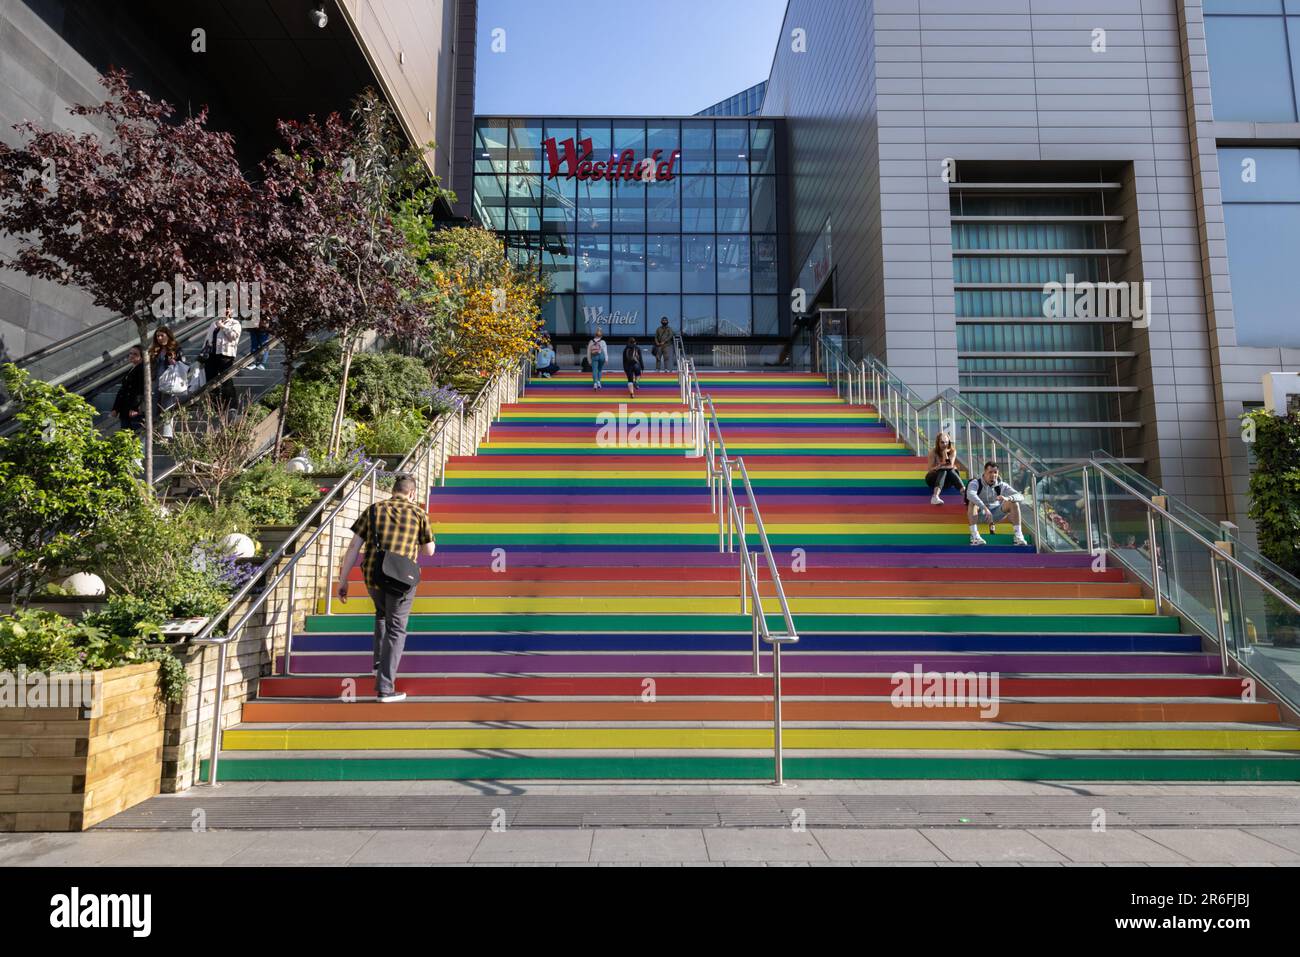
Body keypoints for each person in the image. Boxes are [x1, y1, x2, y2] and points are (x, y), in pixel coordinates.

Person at [336, 474, 436, 703]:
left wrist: (343, 580)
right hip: (401, 579)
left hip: (373, 576)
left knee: (381, 615)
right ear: (412, 493)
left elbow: (354, 546)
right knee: (397, 629)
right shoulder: (419, 513)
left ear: (393, 490)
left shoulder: (373, 510)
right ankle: (385, 688)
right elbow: (429, 551)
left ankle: (378, 665)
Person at [966, 461, 1028, 547]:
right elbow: (970, 494)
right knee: (972, 502)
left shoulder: (1001, 485)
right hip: (980, 514)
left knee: (1014, 503)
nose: (993, 475)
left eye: (995, 472)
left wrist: (1008, 498)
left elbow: (1020, 496)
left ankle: (1018, 536)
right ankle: (974, 536)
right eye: (990, 472)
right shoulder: (975, 483)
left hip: (996, 514)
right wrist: (984, 508)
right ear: (984, 472)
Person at [202, 306, 242, 406]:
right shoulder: (214, 323)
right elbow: (208, 339)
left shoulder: (235, 324)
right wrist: (202, 354)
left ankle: (231, 405)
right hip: (211, 355)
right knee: (211, 381)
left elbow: (233, 337)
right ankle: (214, 405)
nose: (224, 310)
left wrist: (223, 327)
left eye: (227, 309)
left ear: (231, 311)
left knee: (226, 381)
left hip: (225, 356)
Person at [111, 345, 146, 432]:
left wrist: (134, 407)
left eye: (135, 354)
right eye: (130, 353)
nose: (131, 356)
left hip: (133, 411)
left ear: (142, 356)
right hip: (125, 409)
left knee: (134, 437)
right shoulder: (132, 369)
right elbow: (123, 390)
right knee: (126, 436)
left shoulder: (142, 370)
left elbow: (140, 390)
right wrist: (116, 408)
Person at [926, 431, 964, 505]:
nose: (945, 444)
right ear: (938, 443)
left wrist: (944, 453)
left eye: (946, 442)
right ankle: (935, 496)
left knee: (949, 470)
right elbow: (930, 469)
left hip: (948, 480)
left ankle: (965, 494)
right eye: (942, 442)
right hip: (933, 479)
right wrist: (940, 466)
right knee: (944, 470)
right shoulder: (933, 452)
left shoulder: (952, 451)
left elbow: (949, 465)